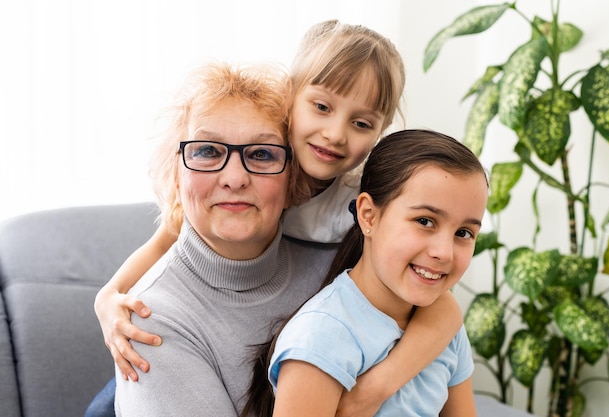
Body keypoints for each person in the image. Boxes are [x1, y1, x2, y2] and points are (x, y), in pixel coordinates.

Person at [88, 20, 463, 417]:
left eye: (361, 123)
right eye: (321, 107)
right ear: (290, 103)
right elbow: (167, 236)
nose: (334, 134)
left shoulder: (360, 207)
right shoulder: (252, 161)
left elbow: (440, 304)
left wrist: (377, 387)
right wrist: (108, 296)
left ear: (380, 132)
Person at [245, 129, 489, 417]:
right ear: (369, 216)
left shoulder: (444, 327)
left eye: (463, 232)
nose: (444, 252)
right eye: (425, 221)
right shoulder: (322, 337)